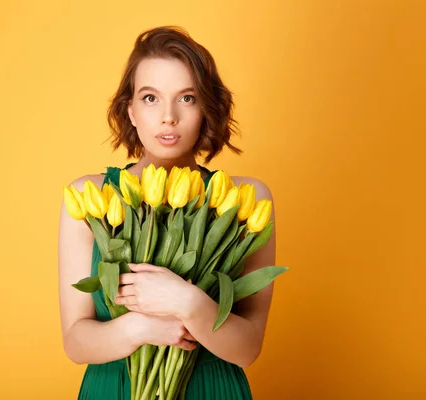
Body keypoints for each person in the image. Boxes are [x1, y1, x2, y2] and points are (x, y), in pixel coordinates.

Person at [59, 25, 277, 399]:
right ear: (129, 109)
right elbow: (76, 343)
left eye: (187, 98)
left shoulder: (244, 199)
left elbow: (248, 349)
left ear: (206, 107)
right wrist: (142, 328)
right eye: (150, 98)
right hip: (114, 388)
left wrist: (188, 303)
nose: (168, 117)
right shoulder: (90, 195)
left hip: (211, 389)